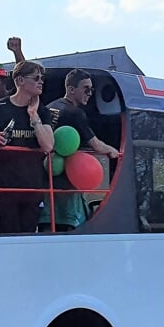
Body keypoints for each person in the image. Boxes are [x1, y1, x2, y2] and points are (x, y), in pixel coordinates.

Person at [44, 69, 120, 231]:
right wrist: (114, 151)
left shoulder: (49, 108)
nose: (90, 93)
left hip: (45, 181)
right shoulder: (75, 114)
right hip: (66, 186)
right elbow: (96, 145)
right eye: (86, 89)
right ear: (71, 90)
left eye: (92, 89)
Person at [0, 60, 54, 233]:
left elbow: (48, 146)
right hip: (5, 187)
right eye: (36, 77)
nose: (41, 81)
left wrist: (33, 115)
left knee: (29, 237)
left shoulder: (42, 111)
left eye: (42, 78)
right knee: (6, 238)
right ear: (20, 81)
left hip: (32, 187)